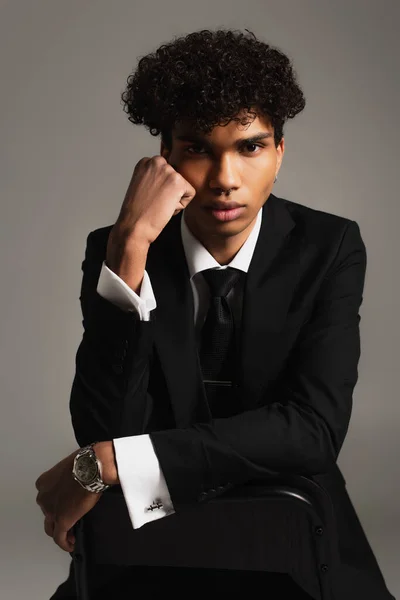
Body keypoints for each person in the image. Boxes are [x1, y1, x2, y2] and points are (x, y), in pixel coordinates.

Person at [35, 28, 395, 599]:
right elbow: (104, 429)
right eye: (199, 148)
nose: (226, 179)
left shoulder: (329, 246)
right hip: (154, 539)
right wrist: (131, 247)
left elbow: (312, 431)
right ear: (166, 158)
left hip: (292, 535)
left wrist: (111, 464)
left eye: (250, 146)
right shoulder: (117, 246)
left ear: (279, 152)